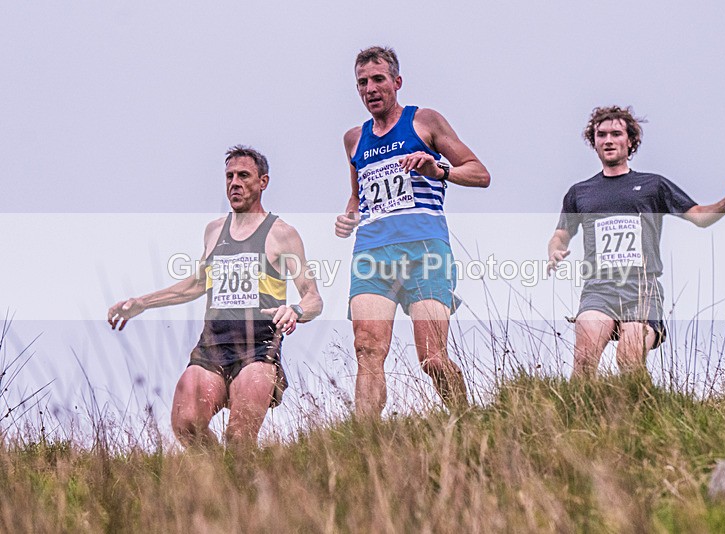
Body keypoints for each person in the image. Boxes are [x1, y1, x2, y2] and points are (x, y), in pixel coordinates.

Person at [108, 145, 322, 447]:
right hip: (212, 347)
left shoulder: (282, 233)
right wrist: (141, 303)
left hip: (258, 351)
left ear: (263, 182)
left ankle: (241, 473)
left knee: (239, 438)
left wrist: (296, 310)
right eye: (229, 176)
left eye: (243, 176)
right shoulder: (213, 231)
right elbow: (196, 284)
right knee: (185, 424)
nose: (234, 183)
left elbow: (313, 298)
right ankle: (215, 472)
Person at [334, 46, 490, 418]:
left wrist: (439, 170)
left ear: (397, 82)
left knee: (432, 358)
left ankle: (465, 418)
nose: (371, 89)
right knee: (367, 350)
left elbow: (480, 173)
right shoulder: (354, 139)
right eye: (362, 83)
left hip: (425, 252)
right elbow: (358, 195)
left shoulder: (424, 121)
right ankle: (366, 437)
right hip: (372, 253)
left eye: (378, 79)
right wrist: (349, 215)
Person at [547, 106, 725, 378]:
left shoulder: (653, 186)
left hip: (641, 291)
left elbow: (699, 217)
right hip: (598, 289)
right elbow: (561, 234)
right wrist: (555, 250)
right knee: (584, 359)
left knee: (628, 359)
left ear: (630, 141)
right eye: (601, 135)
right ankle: (579, 407)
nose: (608, 140)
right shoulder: (579, 192)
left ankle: (641, 403)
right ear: (594, 142)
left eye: (616, 134)